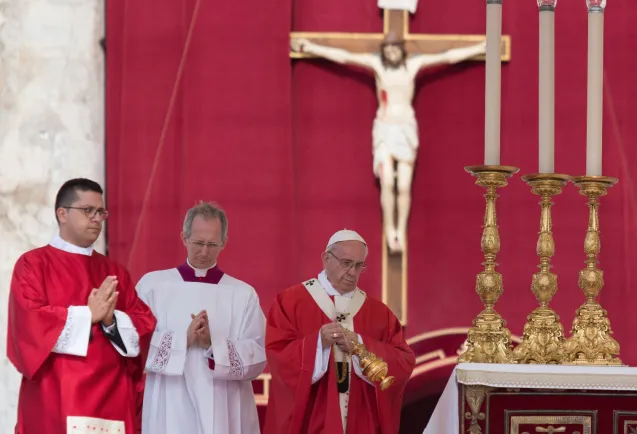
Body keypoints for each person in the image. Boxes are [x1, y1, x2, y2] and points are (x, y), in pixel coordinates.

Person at [291, 33, 486, 253]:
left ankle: (400, 230)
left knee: (403, 185)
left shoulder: (413, 65)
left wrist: (480, 47)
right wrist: (311, 47)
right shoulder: (377, 65)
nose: (391, 53)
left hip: (405, 130)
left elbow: (448, 57)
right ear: (383, 51)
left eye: (395, 48)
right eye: (388, 49)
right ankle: (389, 231)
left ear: (402, 49)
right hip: (385, 130)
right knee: (386, 184)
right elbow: (343, 57)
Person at [6, 178, 157, 434]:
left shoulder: (115, 272)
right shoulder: (33, 264)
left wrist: (111, 322)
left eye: (101, 212)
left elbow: (144, 325)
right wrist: (88, 315)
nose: (97, 218)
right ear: (62, 214)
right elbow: (30, 324)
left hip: (112, 397)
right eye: (88, 210)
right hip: (57, 394)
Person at [264, 229, 415, 434]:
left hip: (360, 421)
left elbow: (403, 361)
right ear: (326, 259)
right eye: (346, 263)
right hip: (311, 421)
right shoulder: (291, 303)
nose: (353, 272)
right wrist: (318, 344)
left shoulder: (379, 313)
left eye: (359, 265)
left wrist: (361, 346)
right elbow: (278, 356)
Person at [136, 201, 267, 434]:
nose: (204, 252)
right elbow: (135, 344)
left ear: (224, 243)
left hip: (224, 406)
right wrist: (183, 340)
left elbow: (257, 354)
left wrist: (213, 346)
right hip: (170, 403)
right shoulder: (153, 286)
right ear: (184, 238)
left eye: (212, 244)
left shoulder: (242, 293)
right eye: (198, 243)